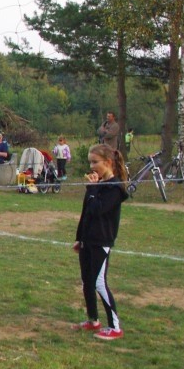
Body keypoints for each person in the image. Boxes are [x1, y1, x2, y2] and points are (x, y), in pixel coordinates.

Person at [72, 144, 129, 341]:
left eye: (95, 162)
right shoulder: (97, 186)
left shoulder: (115, 188)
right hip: (88, 240)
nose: (92, 166)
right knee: (87, 281)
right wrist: (79, 238)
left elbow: (98, 210)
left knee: (98, 282)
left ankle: (115, 326)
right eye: (90, 162)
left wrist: (93, 189)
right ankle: (93, 320)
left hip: (101, 241)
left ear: (108, 162)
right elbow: (86, 213)